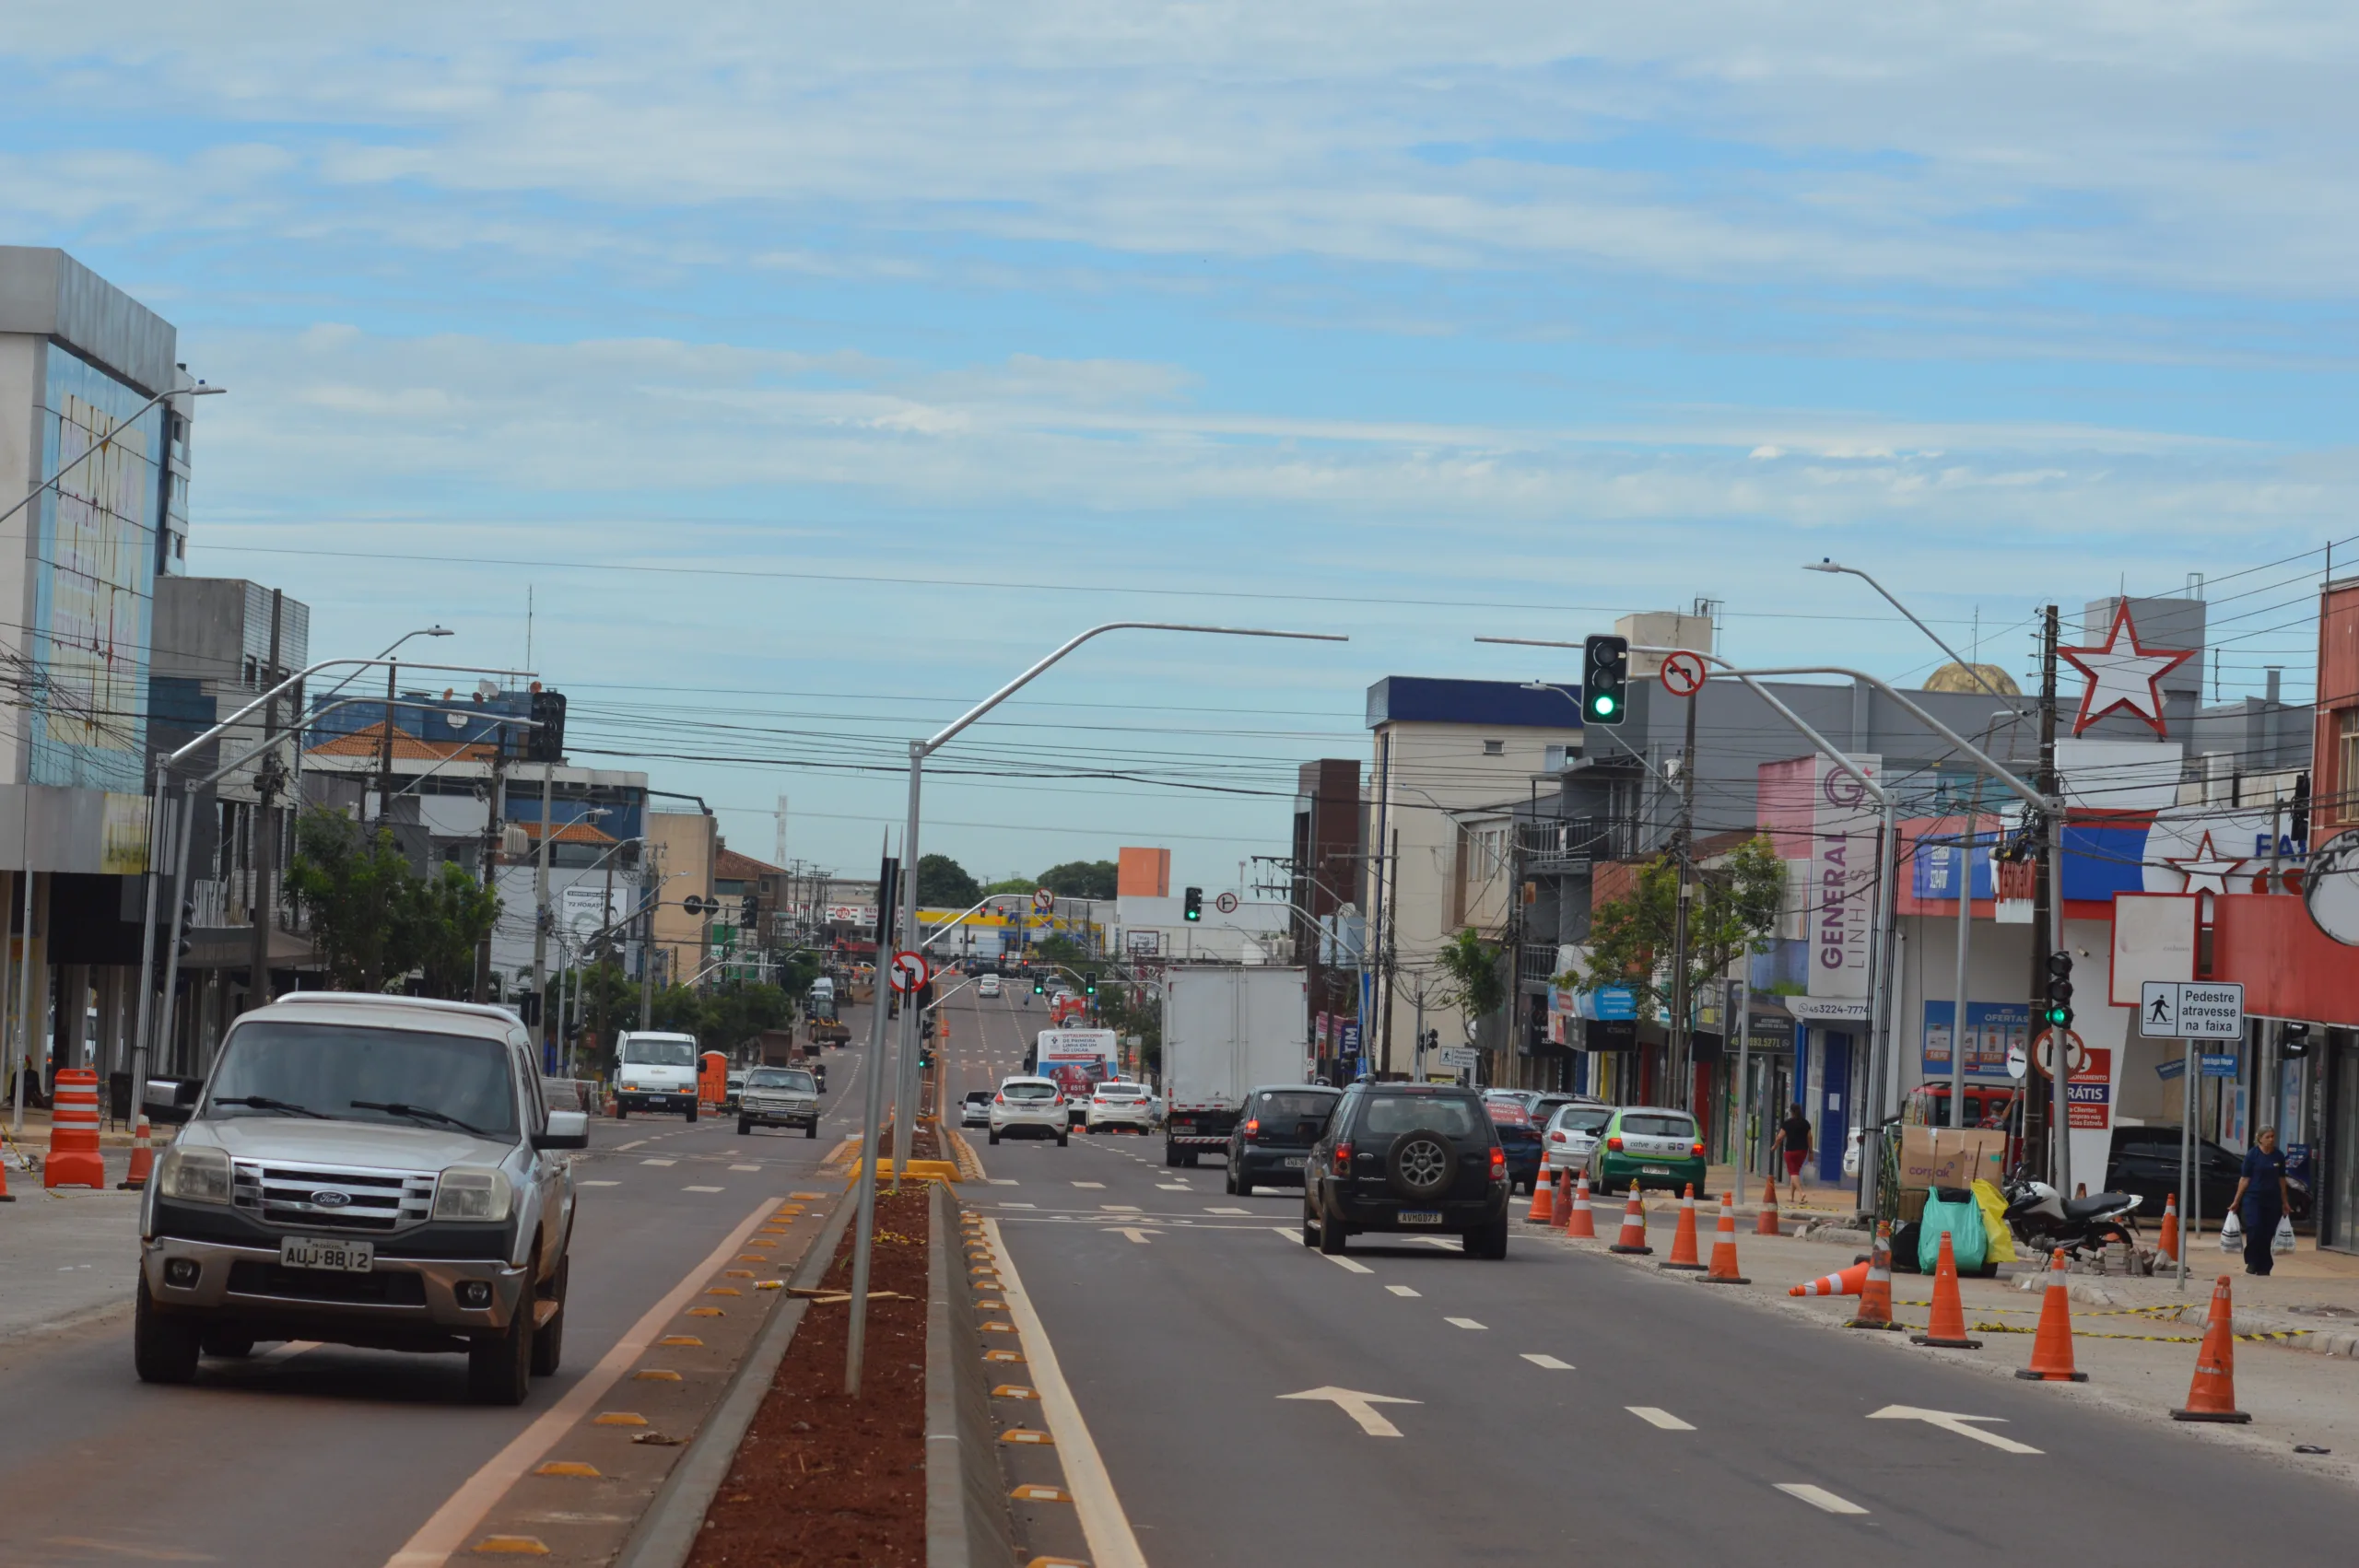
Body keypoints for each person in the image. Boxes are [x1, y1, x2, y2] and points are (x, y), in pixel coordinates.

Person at [2226, 1126, 2294, 1277]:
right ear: (2260, 1139)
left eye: (2273, 1137)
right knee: (2254, 1228)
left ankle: (2265, 1265)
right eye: (2268, 1137)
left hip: (2272, 1200)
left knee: (2267, 1233)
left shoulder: (2278, 1156)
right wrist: (2236, 1201)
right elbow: (2244, 1179)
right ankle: (2252, 1261)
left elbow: (2282, 1180)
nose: (2271, 1140)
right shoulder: (2252, 1155)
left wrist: (2285, 1202)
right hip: (2253, 1199)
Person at [1769, 1103, 1813, 1205]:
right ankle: (1791, 1196)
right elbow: (1810, 1138)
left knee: (1793, 1173)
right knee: (1796, 1172)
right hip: (1802, 1152)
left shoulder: (1787, 1123)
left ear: (1791, 1112)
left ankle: (1801, 1193)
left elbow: (1780, 1137)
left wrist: (1774, 1147)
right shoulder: (1806, 1123)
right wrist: (1811, 1152)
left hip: (1790, 1151)